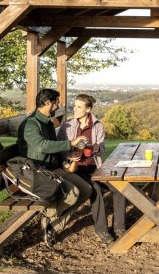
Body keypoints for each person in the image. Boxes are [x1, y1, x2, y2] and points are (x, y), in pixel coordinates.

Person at [17, 88, 93, 247]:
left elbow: (54, 148)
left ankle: (52, 225)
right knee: (73, 194)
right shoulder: (31, 124)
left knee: (86, 189)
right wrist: (70, 143)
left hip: (53, 168)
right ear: (47, 103)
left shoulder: (48, 122)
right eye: (56, 103)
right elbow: (41, 146)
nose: (58, 106)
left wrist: (63, 162)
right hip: (39, 171)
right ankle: (49, 215)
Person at [57, 94, 126, 244]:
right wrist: (68, 158)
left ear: (88, 109)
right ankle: (101, 230)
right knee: (95, 189)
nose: (75, 109)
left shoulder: (97, 126)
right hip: (75, 170)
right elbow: (59, 150)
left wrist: (93, 148)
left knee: (119, 187)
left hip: (95, 168)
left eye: (79, 107)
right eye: (74, 106)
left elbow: (101, 150)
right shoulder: (66, 126)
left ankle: (119, 227)